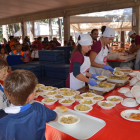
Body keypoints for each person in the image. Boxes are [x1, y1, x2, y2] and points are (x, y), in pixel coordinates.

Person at [0, 70, 58, 140]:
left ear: (6, 93)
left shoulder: (2, 124)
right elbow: (55, 117)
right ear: (30, 97)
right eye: (34, 90)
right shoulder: (38, 108)